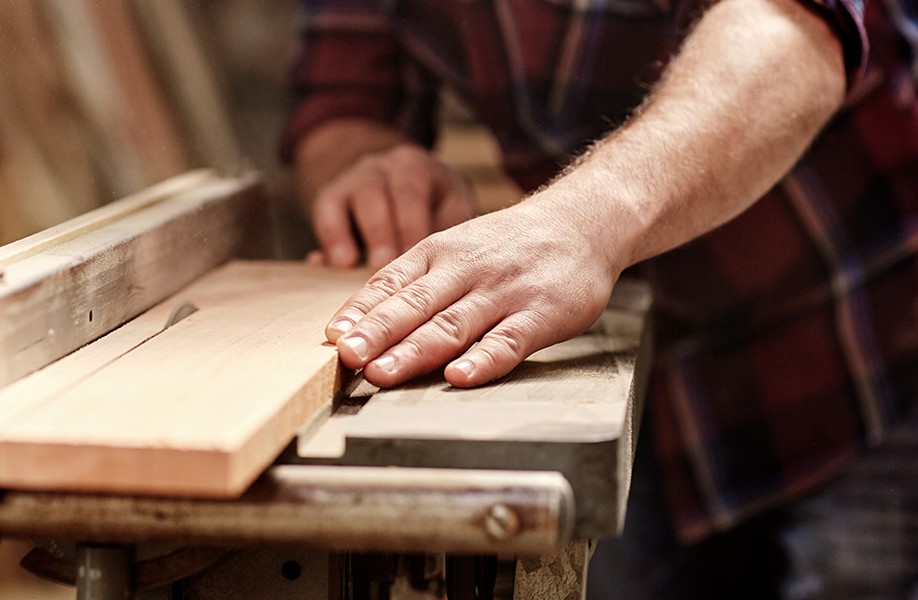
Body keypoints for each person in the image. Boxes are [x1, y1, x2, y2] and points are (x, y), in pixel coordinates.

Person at [279, 0, 918, 597]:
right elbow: (339, 102)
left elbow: (793, 28)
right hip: (643, 376)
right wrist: (365, 161)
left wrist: (582, 224)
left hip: (861, 343)